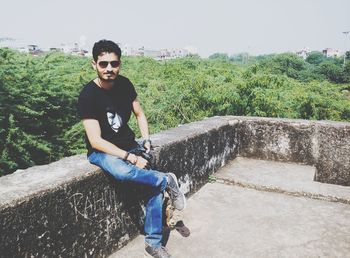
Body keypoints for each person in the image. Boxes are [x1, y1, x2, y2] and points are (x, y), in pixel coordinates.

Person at [77, 39, 186, 258]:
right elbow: (95, 140)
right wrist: (130, 157)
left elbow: (139, 114)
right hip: (103, 152)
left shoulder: (125, 84)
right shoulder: (88, 95)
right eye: (103, 64)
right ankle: (166, 180)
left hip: (130, 144)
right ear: (94, 65)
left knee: (152, 188)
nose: (109, 68)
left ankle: (153, 244)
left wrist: (146, 140)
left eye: (114, 63)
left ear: (120, 64)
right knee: (123, 171)